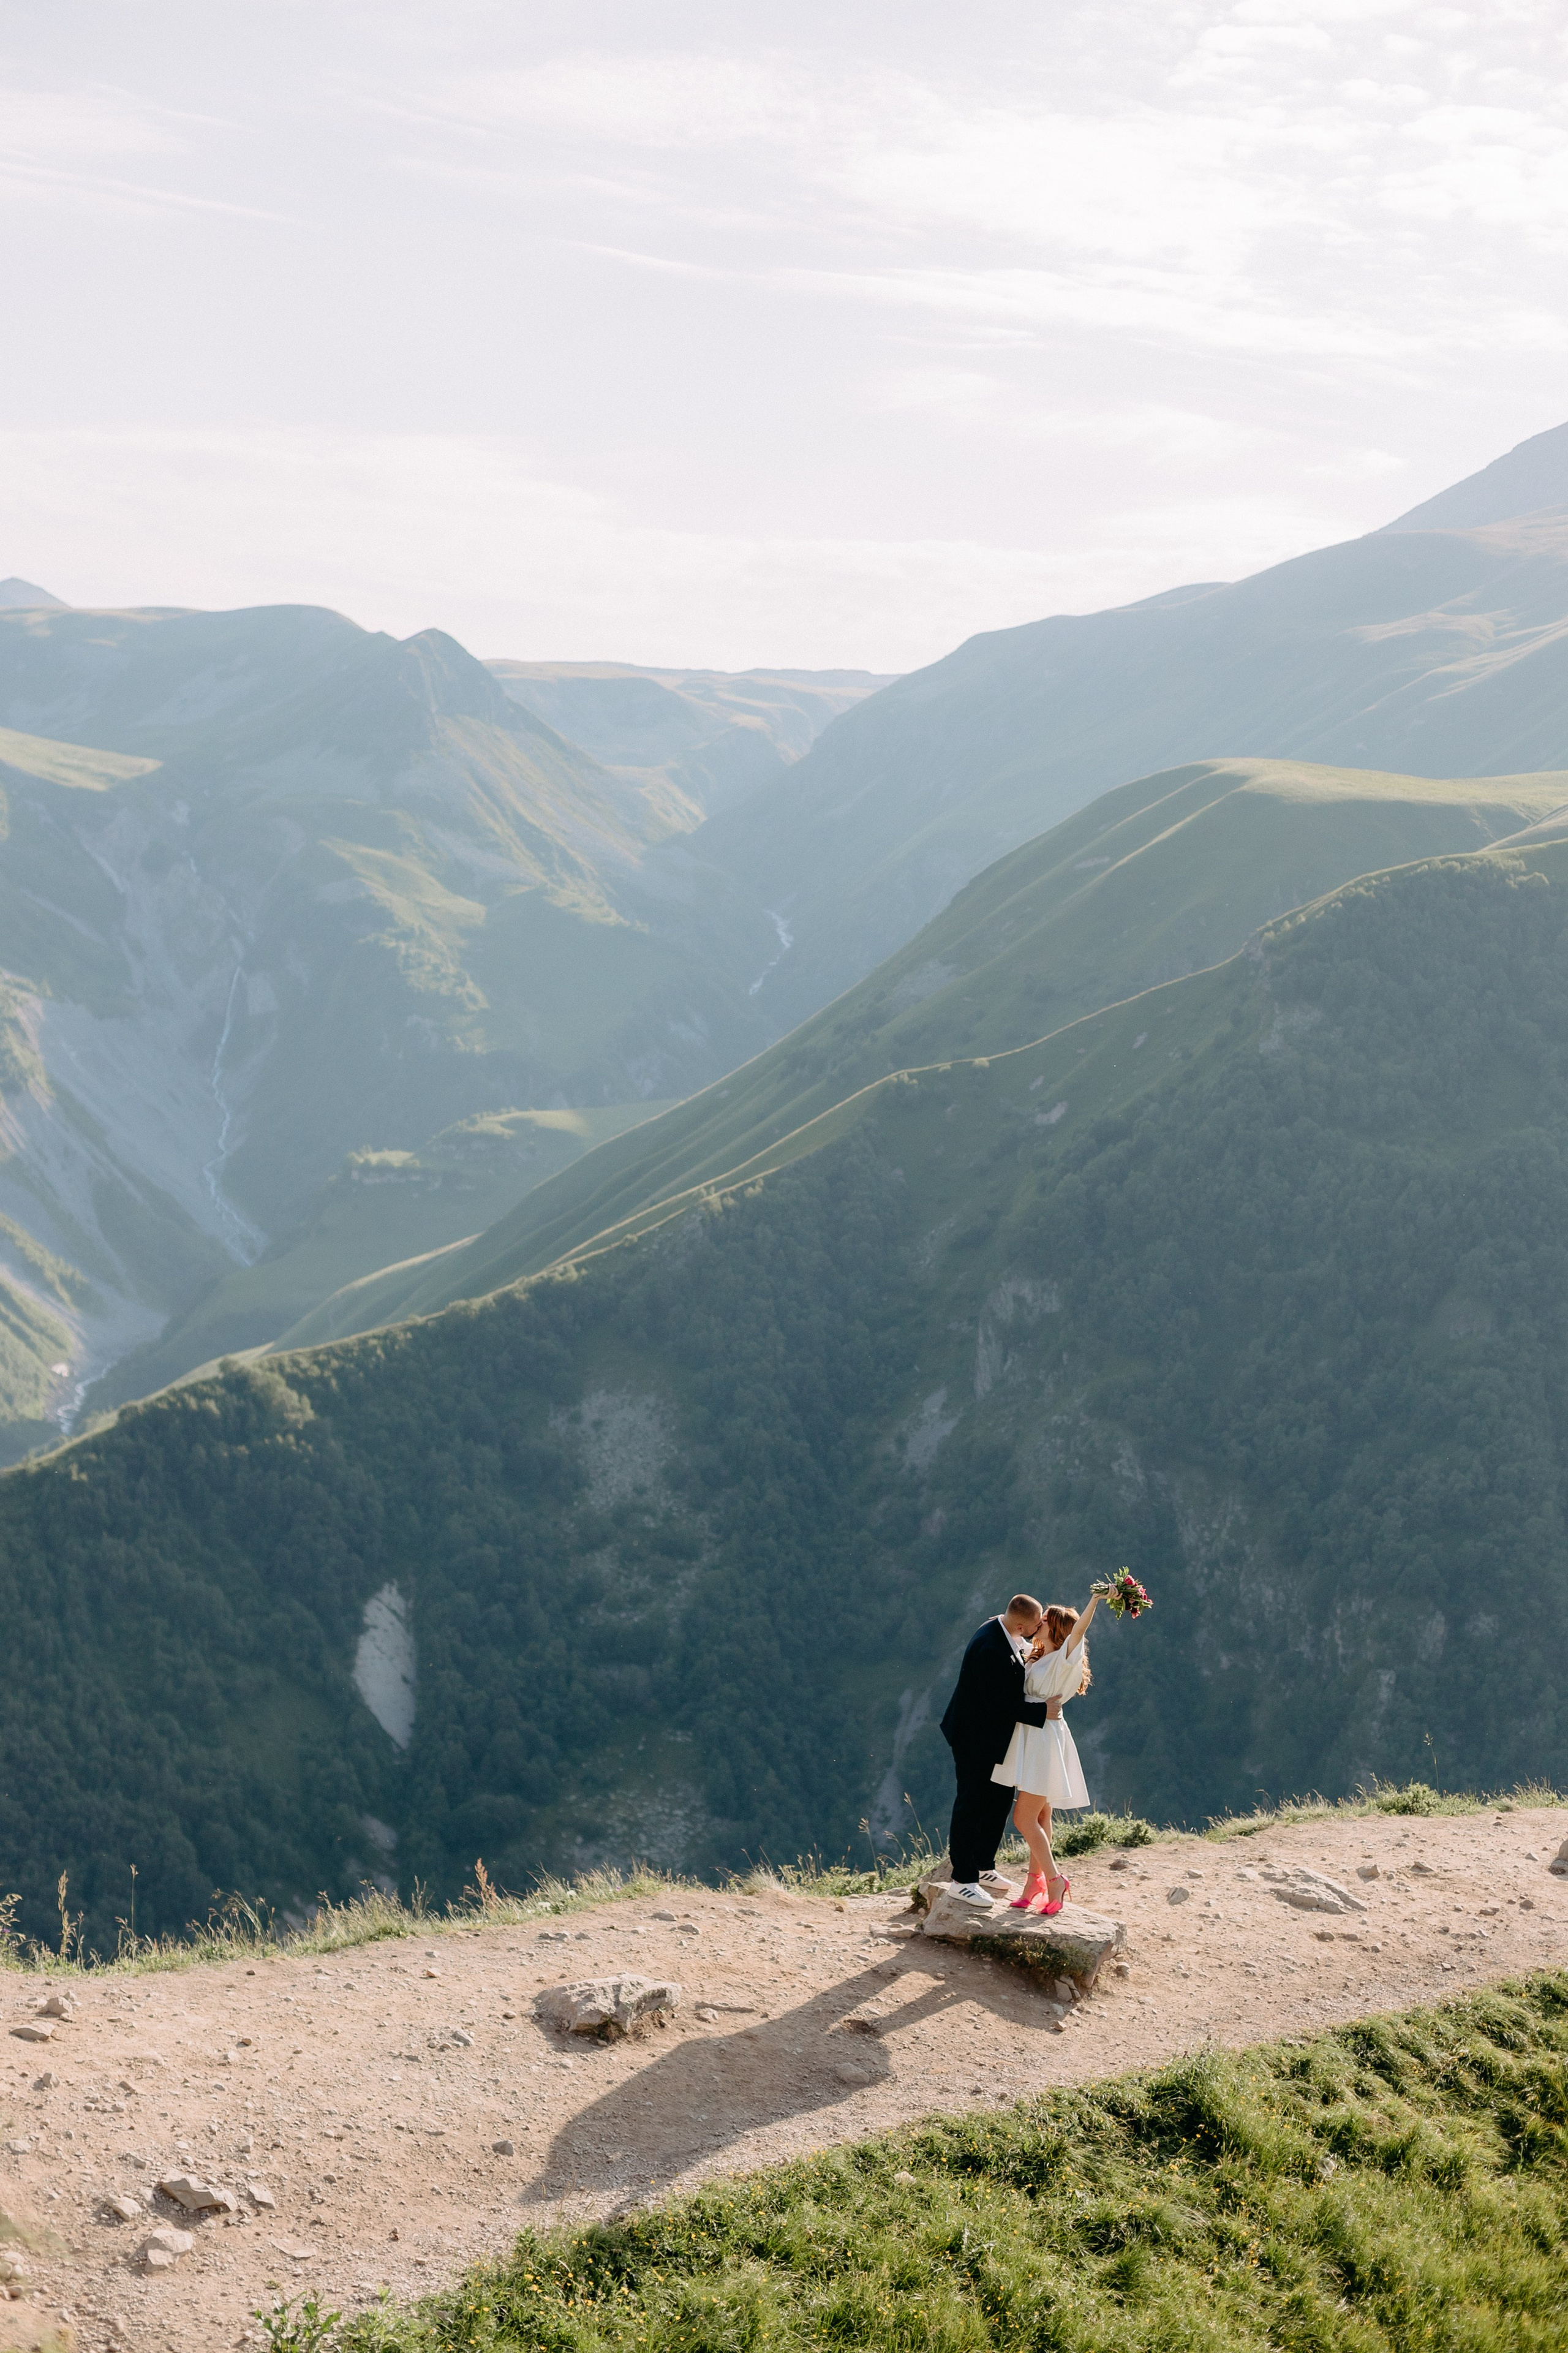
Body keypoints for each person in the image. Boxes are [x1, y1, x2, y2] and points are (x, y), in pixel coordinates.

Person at [937, 1593, 1049, 1911]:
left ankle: (984, 1865)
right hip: (973, 1738)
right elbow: (998, 1704)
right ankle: (962, 1880)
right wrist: (1043, 1713)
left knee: (999, 1799)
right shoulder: (990, 1648)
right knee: (971, 1804)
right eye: (1033, 1625)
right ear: (1018, 1623)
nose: (1036, 1628)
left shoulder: (1003, 1631)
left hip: (993, 1739)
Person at [992, 1593, 1099, 1916]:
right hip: (1031, 1738)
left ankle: (1054, 1880)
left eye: (1045, 1620)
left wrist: (1095, 1599)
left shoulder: (1063, 1658)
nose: (1039, 1623)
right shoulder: (1035, 1654)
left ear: (1056, 1629)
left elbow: (1079, 1630)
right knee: (1040, 1817)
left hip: (1043, 1741)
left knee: (1023, 1819)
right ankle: (1033, 1884)